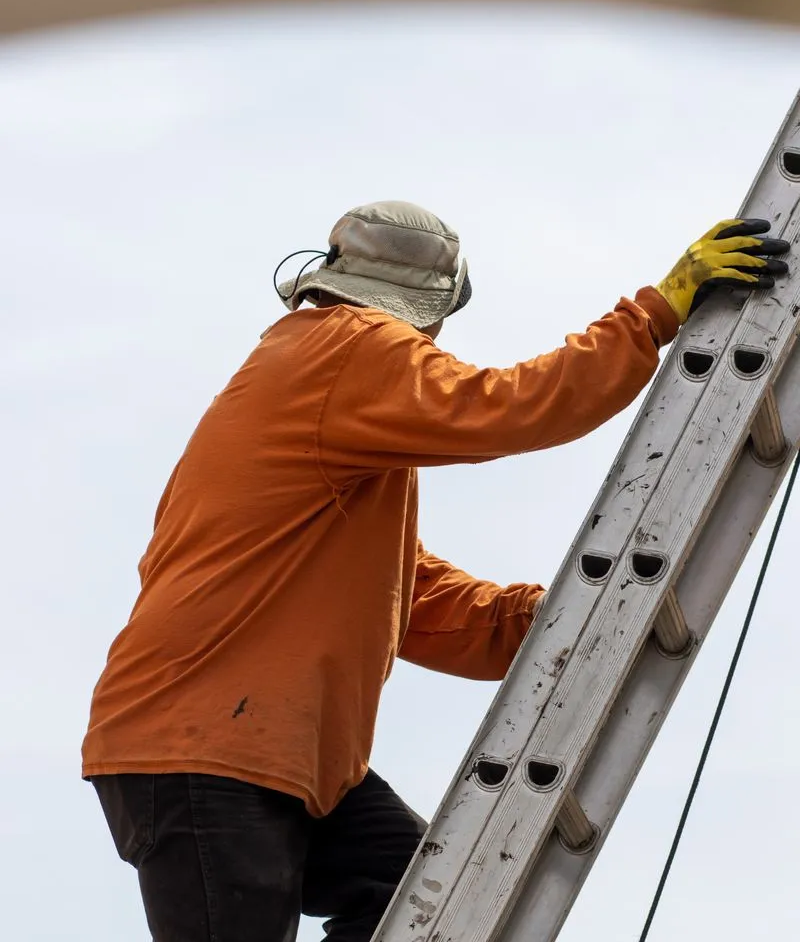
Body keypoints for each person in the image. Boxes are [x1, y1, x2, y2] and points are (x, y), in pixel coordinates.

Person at [81, 201, 788, 942]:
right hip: (209, 753)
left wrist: (544, 622)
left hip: (275, 756)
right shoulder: (349, 345)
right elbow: (511, 406)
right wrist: (655, 310)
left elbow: (408, 598)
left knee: (420, 899)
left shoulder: (320, 389)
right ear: (427, 309)